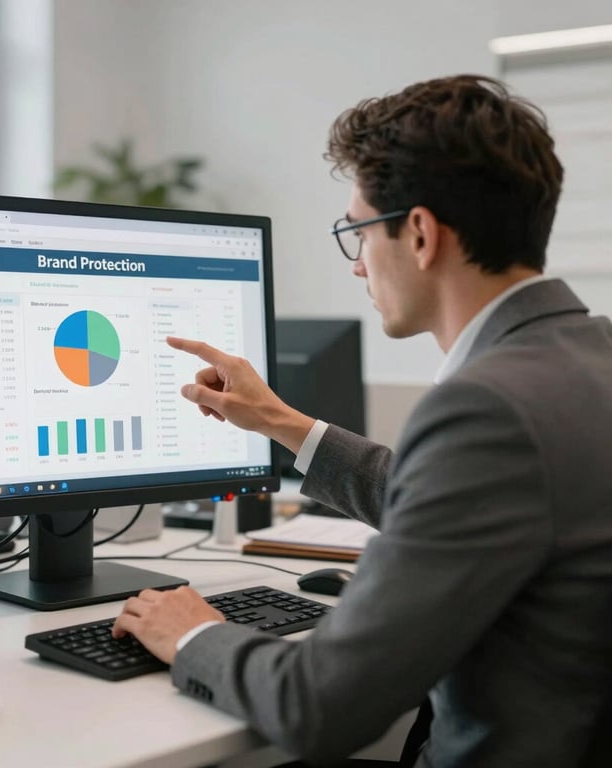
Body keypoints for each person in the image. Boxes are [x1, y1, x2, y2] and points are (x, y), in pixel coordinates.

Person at [112, 74, 612, 767]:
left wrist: (194, 634)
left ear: (420, 234)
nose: (356, 267)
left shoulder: (487, 408)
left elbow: (319, 707)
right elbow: (452, 499)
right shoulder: (590, 356)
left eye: (358, 232)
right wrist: (280, 421)